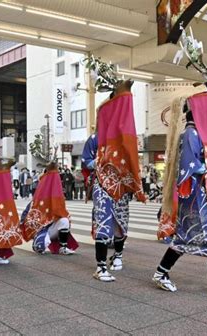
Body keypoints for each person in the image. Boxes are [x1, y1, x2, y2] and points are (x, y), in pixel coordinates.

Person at [154, 36, 207, 294]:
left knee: (184, 239)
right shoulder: (191, 133)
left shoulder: (199, 133)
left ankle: (161, 273)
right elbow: (189, 168)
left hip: (198, 195)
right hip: (197, 195)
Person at [81, 63, 145, 282]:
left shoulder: (124, 135)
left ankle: (118, 256)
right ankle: (100, 266)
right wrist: (101, 162)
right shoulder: (94, 139)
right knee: (103, 221)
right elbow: (85, 161)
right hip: (102, 183)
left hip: (120, 185)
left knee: (121, 222)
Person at [20, 163, 78, 255]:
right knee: (41, 244)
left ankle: (63, 247)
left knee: (65, 221)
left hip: (51, 227)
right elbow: (25, 218)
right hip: (40, 229)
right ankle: (39, 239)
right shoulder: (38, 198)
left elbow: (60, 212)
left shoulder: (57, 196)